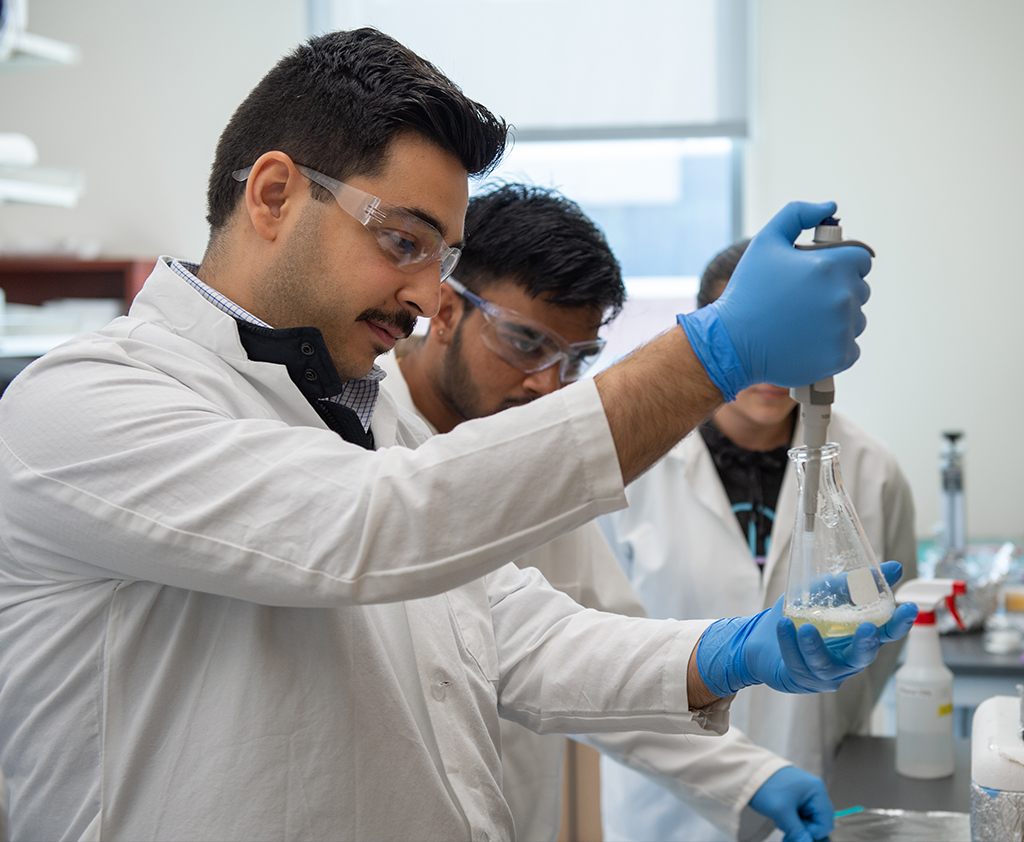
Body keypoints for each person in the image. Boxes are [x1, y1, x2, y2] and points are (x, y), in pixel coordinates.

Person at [0, 29, 913, 841]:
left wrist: (726, 652)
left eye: (443, 257)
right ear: (273, 195)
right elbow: (372, 526)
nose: (431, 295)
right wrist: (709, 356)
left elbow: (512, 633)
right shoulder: (86, 404)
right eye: (404, 241)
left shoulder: (365, 414)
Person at [383, 182, 848, 842]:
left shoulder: (536, 459)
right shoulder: (358, 439)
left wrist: (749, 776)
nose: (548, 383)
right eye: (524, 342)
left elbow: (603, 659)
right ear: (447, 309)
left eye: (576, 360)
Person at [597, 238, 919, 842]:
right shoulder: (631, 471)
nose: (773, 365)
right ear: (704, 334)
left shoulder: (874, 472)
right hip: (668, 812)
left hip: (816, 781)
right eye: (754, 338)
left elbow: (881, 657)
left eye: (791, 338)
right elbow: (599, 646)